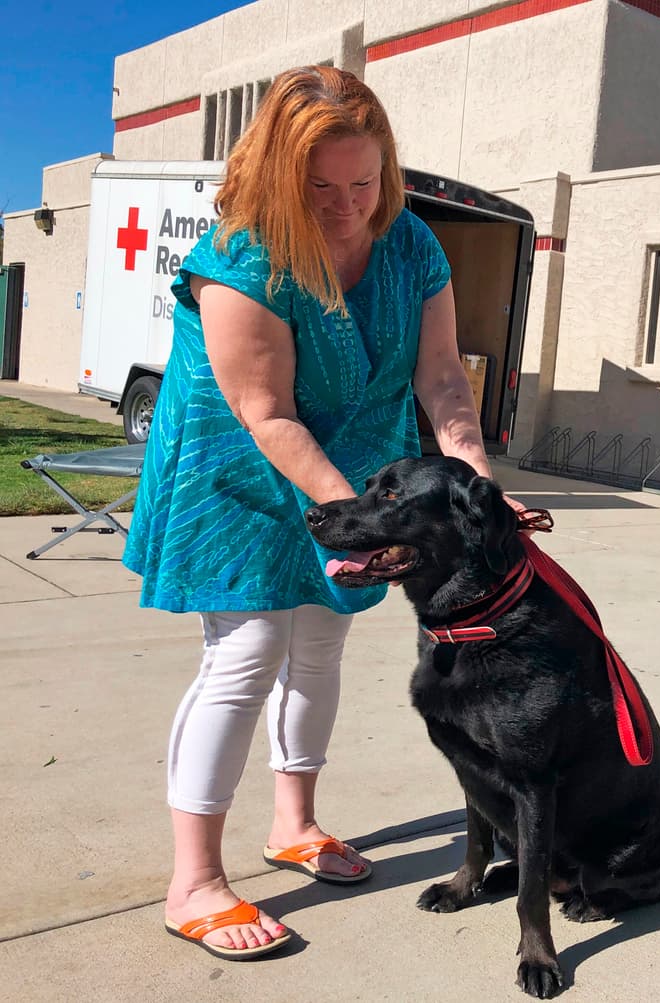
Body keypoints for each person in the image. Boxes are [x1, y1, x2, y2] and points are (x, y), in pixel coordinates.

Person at [122, 66, 522, 960]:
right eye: (320, 187)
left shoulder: (412, 244)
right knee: (250, 648)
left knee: (322, 638)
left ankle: (294, 822)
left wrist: (474, 487)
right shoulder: (245, 255)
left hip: (357, 453)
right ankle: (193, 880)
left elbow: (444, 377)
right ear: (278, 176)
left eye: (363, 184)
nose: (346, 208)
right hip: (243, 465)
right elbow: (267, 413)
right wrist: (372, 520)